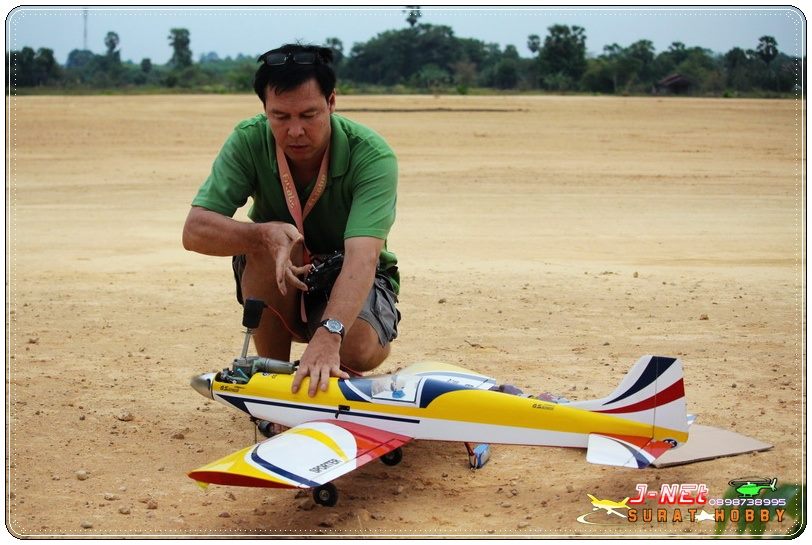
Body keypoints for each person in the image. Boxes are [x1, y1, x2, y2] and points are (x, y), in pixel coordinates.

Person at [182, 43, 400, 397]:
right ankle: (275, 382)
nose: (295, 131)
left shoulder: (372, 155)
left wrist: (329, 334)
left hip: (344, 273)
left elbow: (364, 257)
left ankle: (339, 352)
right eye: (280, 117)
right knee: (268, 243)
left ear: (331, 102)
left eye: (309, 115)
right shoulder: (249, 140)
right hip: (277, 274)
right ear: (264, 110)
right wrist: (262, 234)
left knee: (358, 346)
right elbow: (194, 231)